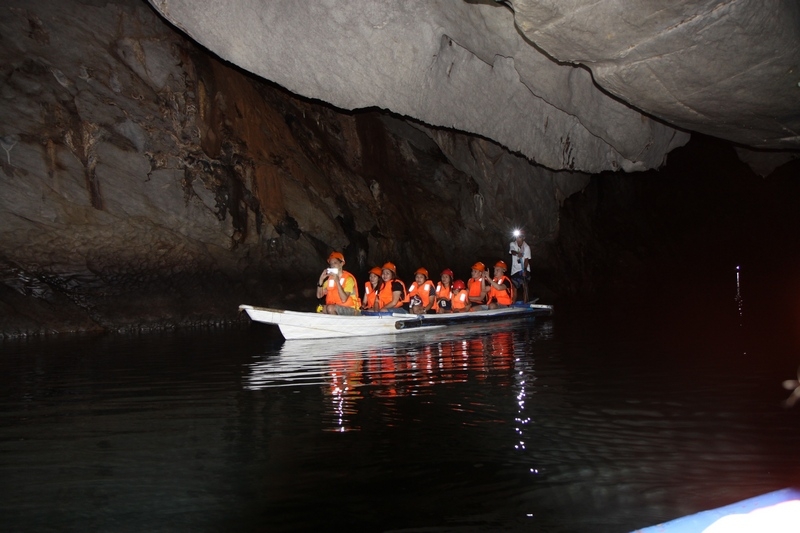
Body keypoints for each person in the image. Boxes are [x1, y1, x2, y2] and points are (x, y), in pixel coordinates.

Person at [509, 230, 531, 302]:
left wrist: (524, 270)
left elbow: (526, 260)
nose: (518, 239)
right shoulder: (512, 244)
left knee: (524, 286)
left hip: (524, 269)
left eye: (520, 237)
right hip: (514, 270)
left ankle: (525, 302)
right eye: (517, 237)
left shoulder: (527, 247)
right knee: (514, 288)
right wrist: (517, 253)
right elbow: (512, 251)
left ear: (523, 238)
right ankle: (512, 304)